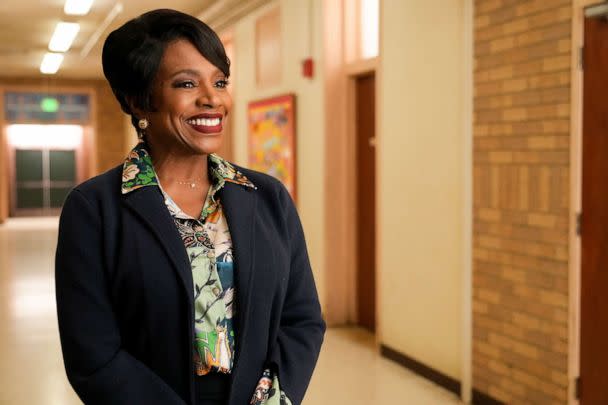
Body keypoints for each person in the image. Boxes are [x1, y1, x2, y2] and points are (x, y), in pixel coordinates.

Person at [55, 9, 325, 405]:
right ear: (138, 101)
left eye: (220, 81)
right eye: (186, 83)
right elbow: (93, 355)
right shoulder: (94, 209)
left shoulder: (267, 196)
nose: (212, 98)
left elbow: (302, 319)